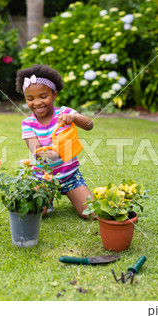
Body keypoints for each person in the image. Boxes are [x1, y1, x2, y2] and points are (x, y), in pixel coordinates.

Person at [16, 64, 94, 219]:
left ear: (54, 94)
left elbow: (89, 125)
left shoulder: (64, 113)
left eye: (43, 96)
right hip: (43, 177)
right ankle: (48, 200)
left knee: (91, 213)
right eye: (30, 99)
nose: (37, 103)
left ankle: (69, 194)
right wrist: (60, 151)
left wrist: (74, 117)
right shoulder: (28, 123)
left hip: (70, 175)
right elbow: (37, 153)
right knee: (37, 213)